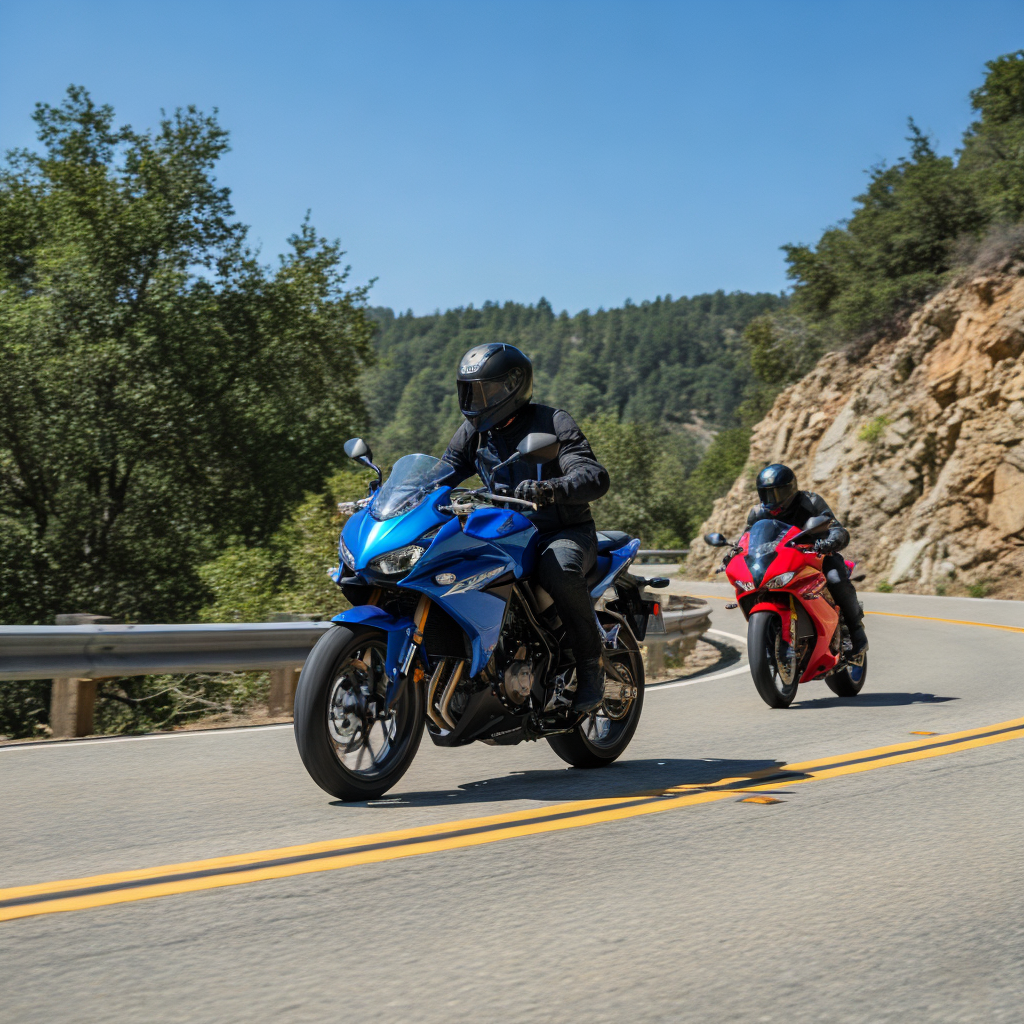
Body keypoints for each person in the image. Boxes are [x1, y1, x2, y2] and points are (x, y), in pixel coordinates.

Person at [441, 343, 611, 713]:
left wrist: (552, 490)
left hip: (560, 532)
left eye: (488, 390)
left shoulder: (551, 422)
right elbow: (443, 474)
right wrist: (406, 495)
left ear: (515, 385)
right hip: (503, 535)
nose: (478, 399)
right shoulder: (474, 433)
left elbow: (593, 476)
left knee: (559, 568)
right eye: (471, 390)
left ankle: (590, 663)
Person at [748, 463, 868, 658]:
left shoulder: (810, 502)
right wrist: (735, 552)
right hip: (779, 561)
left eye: (778, 493)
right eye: (768, 494)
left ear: (791, 489)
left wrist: (830, 541)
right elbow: (747, 538)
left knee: (836, 579)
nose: (773, 500)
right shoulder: (757, 513)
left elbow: (835, 527)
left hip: (815, 556)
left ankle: (855, 631)